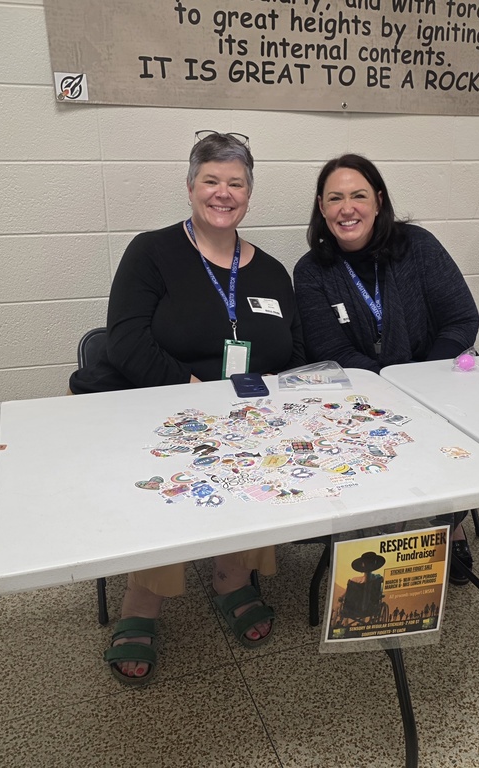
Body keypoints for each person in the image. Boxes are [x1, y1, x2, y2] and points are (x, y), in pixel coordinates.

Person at [69, 131, 305, 686]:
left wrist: (261, 395)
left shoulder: (271, 271)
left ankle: (233, 574)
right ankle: (141, 600)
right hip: (161, 406)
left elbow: (295, 352)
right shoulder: (151, 252)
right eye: (211, 180)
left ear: (250, 193)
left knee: (266, 457)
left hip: (248, 411)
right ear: (191, 187)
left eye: (236, 183)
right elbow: (124, 343)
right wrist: (194, 388)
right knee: (176, 467)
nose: (223, 193)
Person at [292, 154, 479, 585]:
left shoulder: (418, 246)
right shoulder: (311, 271)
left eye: (358, 195)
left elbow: (462, 319)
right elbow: (328, 348)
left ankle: (450, 525)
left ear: (378, 201)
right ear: (322, 208)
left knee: (448, 434)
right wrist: (390, 388)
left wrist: (419, 381)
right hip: (359, 395)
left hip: (434, 381)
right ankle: (376, 533)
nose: (347, 208)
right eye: (335, 198)